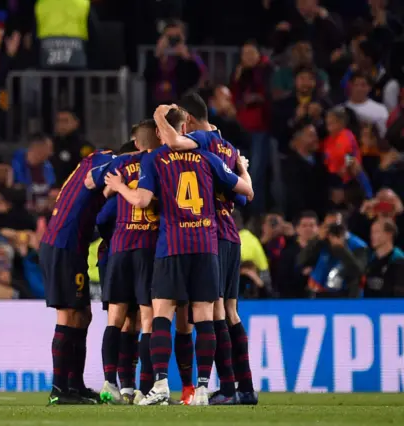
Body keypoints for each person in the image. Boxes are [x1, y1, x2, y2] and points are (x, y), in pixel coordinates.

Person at [105, 107, 253, 406]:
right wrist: (242, 167)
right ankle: (200, 389)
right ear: (185, 129)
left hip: (172, 245)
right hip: (207, 245)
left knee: (162, 313)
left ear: (161, 132)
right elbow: (246, 192)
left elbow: (143, 200)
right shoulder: (209, 157)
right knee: (204, 316)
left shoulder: (155, 158)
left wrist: (120, 186)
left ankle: (160, 385)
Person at [167, 92, 257, 404]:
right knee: (231, 310)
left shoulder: (201, 140)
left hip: (211, 235)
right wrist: (243, 169)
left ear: (188, 120)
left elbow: (176, 145)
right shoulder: (229, 148)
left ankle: (229, 388)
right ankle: (246, 388)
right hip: (231, 234)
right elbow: (244, 198)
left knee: (215, 310)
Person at [91, 120, 161, 405]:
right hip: (148, 249)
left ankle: (111, 383)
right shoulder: (161, 165)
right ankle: (143, 388)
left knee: (115, 321)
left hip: (119, 250)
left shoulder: (120, 167)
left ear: (135, 142)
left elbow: (102, 214)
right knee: (147, 321)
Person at [39, 146, 115, 405]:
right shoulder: (108, 161)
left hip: (71, 246)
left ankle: (75, 385)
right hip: (63, 245)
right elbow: (94, 177)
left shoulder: (91, 160)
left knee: (83, 314)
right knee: (69, 314)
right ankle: (58, 390)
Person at [365, 218, 404, 297]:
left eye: (376, 232)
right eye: (371, 232)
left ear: (389, 234)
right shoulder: (371, 259)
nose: (372, 236)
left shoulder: (398, 260)